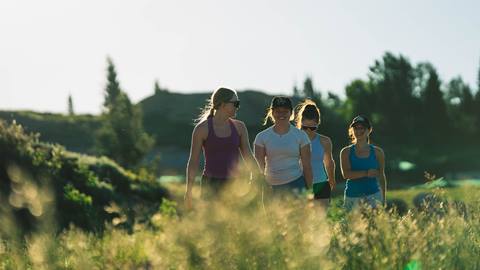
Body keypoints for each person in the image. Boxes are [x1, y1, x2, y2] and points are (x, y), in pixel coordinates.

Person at [184, 87, 258, 209]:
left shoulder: (240, 127)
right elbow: (193, 162)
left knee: (233, 225)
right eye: (235, 103)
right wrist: (189, 192)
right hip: (210, 185)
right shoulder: (201, 129)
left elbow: (248, 156)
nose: (237, 107)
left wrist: (257, 178)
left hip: (234, 185)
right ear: (223, 104)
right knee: (211, 224)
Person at [254, 96, 313, 196]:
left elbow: (307, 166)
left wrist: (311, 192)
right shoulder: (261, 137)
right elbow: (259, 167)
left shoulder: (301, 136)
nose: (281, 114)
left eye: (285, 111)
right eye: (278, 111)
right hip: (271, 188)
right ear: (272, 113)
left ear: (291, 113)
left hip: (296, 184)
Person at [339, 115, 387, 211]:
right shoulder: (345, 152)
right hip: (352, 196)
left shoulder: (378, 152)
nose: (359, 131)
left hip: (374, 196)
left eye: (362, 128)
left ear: (369, 130)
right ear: (352, 130)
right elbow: (346, 174)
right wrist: (366, 173)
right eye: (356, 128)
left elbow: (381, 176)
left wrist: (383, 199)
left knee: (373, 226)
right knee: (352, 226)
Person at [295, 99, 335, 208]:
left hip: (321, 184)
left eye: (312, 128)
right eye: (304, 127)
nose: (308, 131)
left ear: (317, 124)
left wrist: (331, 180)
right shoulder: (293, 139)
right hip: (300, 184)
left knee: (321, 221)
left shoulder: (325, 141)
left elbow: (329, 162)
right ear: (300, 123)